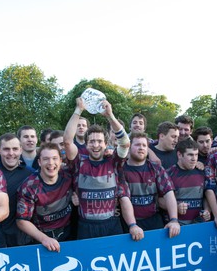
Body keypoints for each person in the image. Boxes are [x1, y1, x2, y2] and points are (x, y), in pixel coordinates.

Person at [64, 98, 144, 241]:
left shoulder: (114, 161)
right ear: (86, 144)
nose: (96, 145)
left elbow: (125, 143)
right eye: (92, 141)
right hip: (85, 226)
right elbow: (67, 141)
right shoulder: (79, 162)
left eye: (99, 141)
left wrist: (110, 115)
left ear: (106, 144)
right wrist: (78, 110)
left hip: (112, 225)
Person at [16, 143, 74, 251]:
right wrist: (44, 239)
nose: (51, 163)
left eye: (54, 158)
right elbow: (22, 221)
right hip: (41, 240)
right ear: (39, 162)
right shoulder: (29, 186)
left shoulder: (68, 176)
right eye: (46, 159)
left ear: (61, 161)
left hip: (69, 234)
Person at [123, 132, 180, 237]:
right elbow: (124, 198)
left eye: (144, 145)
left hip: (154, 221)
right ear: (129, 147)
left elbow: (169, 192)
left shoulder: (156, 168)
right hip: (130, 224)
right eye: (137, 145)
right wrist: (132, 225)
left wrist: (174, 220)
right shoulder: (122, 170)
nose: (141, 148)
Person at [0, 133, 36, 247]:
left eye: (15, 149)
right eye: (6, 149)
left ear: (21, 150)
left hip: (23, 237)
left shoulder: (31, 173)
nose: (11, 153)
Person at [165, 138, 213, 225]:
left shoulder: (202, 171)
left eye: (196, 155)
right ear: (179, 155)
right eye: (190, 155)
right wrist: (176, 206)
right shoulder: (168, 174)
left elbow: (207, 195)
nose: (194, 159)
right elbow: (158, 200)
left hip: (198, 224)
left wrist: (207, 210)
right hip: (176, 227)